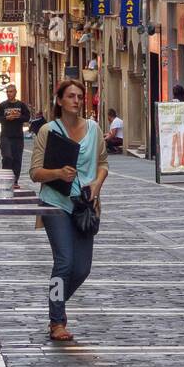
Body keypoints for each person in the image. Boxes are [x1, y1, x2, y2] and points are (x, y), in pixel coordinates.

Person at [28, 78, 108, 342]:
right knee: (64, 262)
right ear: (60, 101)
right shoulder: (48, 132)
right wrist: (57, 173)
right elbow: (35, 173)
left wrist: (96, 184)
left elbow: (103, 164)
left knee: (82, 268)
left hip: (85, 205)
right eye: (71, 96)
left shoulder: (95, 129)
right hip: (56, 203)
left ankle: (56, 302)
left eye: (79, 96)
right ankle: (56, 321)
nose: (76, 100)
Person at [0, 84, 32, 184]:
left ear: (15, 92)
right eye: (7, 92)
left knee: (17, 159)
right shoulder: (2, 105)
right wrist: (6, 118)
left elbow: (27, 117)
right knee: (7, 157)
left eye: (11, 92)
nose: (9, 94)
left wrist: (18, 117)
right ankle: (6, 178)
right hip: (6, 135)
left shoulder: (21, 105)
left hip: (18, 136)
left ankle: (15, 181)